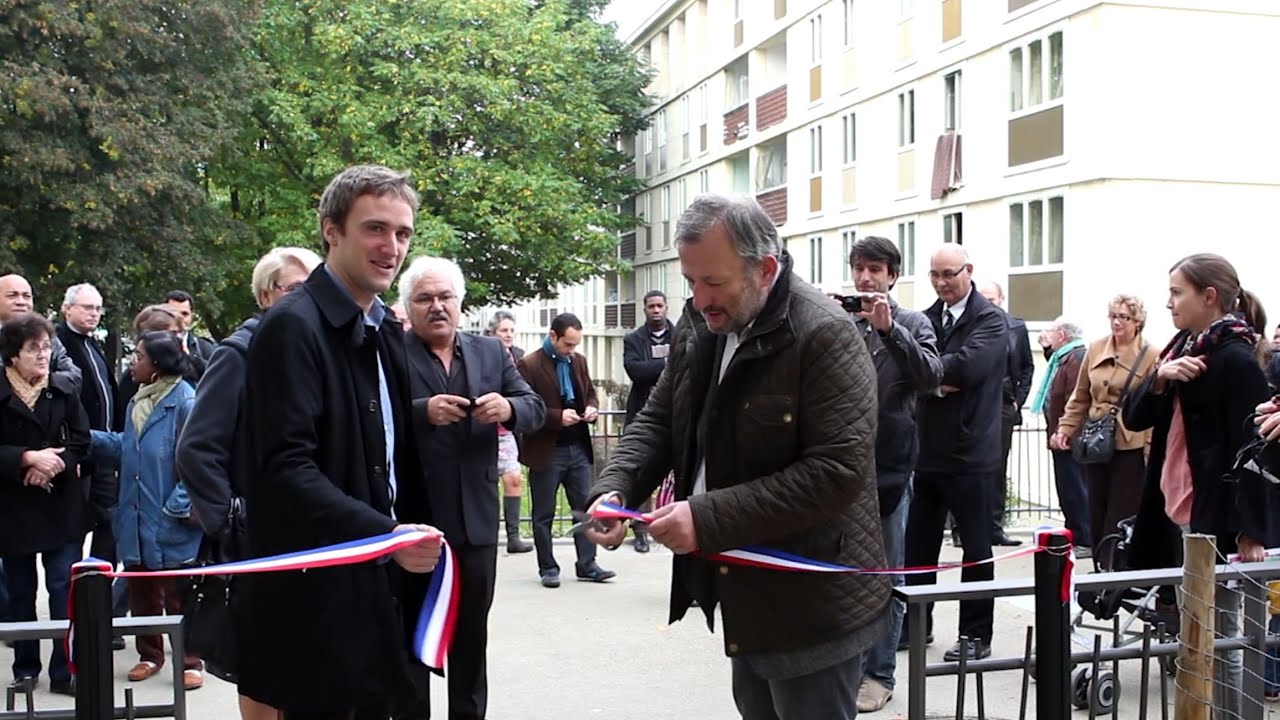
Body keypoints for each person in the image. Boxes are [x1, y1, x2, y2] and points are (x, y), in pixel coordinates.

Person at [585, 194, 886, 720]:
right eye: (691, 282)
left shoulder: (824, 333)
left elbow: (835, 473)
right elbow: (659, 418)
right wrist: (616, 488)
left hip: (812, 601)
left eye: (713, 283)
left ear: (764, 269)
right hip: (744, 591)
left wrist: (703, 517)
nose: (699, 300)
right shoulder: (705, 322)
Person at [234, 165, 443, 719]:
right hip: (322, 598)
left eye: (403, 233)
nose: (391, 246)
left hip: (383, 586)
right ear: (332, 231)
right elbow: (284, 470)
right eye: (376, 229)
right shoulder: (292, 327)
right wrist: (387, 534)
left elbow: (395, 459)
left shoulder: (384, 329)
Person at [1123, 253, 1272, 718]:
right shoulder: (1180, 350)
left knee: (1224, 640)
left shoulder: (1235, 357)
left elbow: (1257, 451)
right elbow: (1133, 416)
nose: (1168, 303)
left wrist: (1252, 531)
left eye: (1177, 293)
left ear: (1209, 297)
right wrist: (1158, 380)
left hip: (1221, 519)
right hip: (1178, 509)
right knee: (1196, 635)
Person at [397, 255, 546, 720]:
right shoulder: (390, 354)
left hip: (477, 522)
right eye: (424, 299)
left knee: (471, 641)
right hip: (413, 523)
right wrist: (422, 412)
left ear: (460, 303)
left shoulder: (488, 351)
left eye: (445, 297)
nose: (437, 306)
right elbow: (366, 422)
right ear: (409, 306)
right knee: (412, 641)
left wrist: (509, 408)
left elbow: (534, 405)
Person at [177, 246, 321, 720]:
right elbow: (196, 448)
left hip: (313, 538)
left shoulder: (313, 347)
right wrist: (231, 521)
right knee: (263, 666)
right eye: (296, 289)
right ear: (265, 295)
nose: (309, 299)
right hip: (260, 547)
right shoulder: (240, 353)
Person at [839, 236, 941, 713]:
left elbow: (930, 376)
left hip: (891, 469)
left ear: (893, 275)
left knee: (886, 575)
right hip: (839, 468)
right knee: (841, 573)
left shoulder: (913, 322)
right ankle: (845, 667)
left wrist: (889, 332)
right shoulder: (841, 321)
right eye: (859, 267)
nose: (865, 277)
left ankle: (878, 674)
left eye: (875, 269)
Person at [903, 245, 1008, 662]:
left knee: (976, 550)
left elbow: (965, 369)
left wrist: (930, 372)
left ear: (969, 271)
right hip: (925, 450)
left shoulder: (991, 320)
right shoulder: (926, 319)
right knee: (918, 549)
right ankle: (915, 627)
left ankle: (975, 635)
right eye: (935, 275)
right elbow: (912, 366)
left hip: (972, 454)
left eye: (949, 274)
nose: (942, 283)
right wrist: (932, 377)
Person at [90, 331, 205, 690]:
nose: (132, 362)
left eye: (138, 356)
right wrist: (87, 438)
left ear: (157, 364)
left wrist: (177, 506)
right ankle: (149, 654)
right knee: (142, 590)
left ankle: (190, 660)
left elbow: (197, 461)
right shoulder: (136, 402)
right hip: (136, 514)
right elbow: (130, 447)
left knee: (177, 593)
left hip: (169, 518)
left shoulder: (186, 401)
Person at [0, 313, 91, 696]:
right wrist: (24, 459)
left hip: (59, 504)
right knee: (21, 591)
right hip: (13, 506)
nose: (42, 355)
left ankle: (63, 669)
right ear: (12, 356)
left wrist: (54, 463)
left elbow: (83, 441)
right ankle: (25, 667)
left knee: (61, 588)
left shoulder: (62, 390)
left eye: (46, 347)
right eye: (33, 348)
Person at [1050, 295, 1157, 562]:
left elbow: (1155, 405)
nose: (1117, 322)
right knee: (1094, 506)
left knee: (1121, 509)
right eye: (1113, 316)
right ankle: (1100, 568)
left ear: (1138, 321)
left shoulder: (1152, 355)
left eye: (1124, 317)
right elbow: (1080, 396)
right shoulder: (1095, 349)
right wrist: (1065, 428)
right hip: (1096, 439)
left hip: (1130, 441)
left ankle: (1116, 568)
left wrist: (1150, 449)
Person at [517, 313, 615, 588]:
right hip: (548, 451)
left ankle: (588, 563)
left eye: (575, 345)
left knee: (585, 509)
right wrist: (557, 417)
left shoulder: (578, 361)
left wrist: (593, 408)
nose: (571, 350)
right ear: (553, 336)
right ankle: (548, 567)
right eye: (567, 344)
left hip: (578, 449)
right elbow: (526, 407)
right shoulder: (530, 364)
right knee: (543, 514)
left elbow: (590, 392)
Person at [978, 281, 1033, 547]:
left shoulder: (1016, 328)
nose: (988, 304)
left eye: (992, 299)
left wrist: (1016, 403)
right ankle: (962, 529)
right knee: (970, 467)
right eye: (983, 299)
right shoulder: (971, 325)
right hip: (975, 404)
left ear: (1001, 299)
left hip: (1003, 405)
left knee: (998, 468)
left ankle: (995, 528)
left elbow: (1026, 368)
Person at [1031, 318, 1091, 555]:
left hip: (1068, 439)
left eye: (1053, 332)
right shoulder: (1062, 356)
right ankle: (1074, 532)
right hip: (1060, 437)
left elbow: (1074, 399)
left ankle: (1084, 537)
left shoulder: (1076, 358)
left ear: (1063, 336)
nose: (1049, 335)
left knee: (1075, 489)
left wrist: (1066, 431)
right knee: (1067, 488)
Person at [622, 289, 675, 553]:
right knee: (642, 471)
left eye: (660, 305)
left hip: (677, 413)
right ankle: (640, 529)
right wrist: (668, 363)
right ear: (644, 309)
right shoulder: (633, 339)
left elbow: (688, 367)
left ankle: (670, 527)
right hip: (644, 414)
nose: (656, 310)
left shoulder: (681, 335)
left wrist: (655, 365)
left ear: (666, 308)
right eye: (651, 306)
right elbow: (636, 372)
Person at [485, 310, 532, 553]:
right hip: (483, 428)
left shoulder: (519, 358)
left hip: (506, 429)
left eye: (512, 330)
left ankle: (513, 536)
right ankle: (488, 534)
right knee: (487, 485)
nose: (509, 335)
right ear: (493, 332)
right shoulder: (482, 355)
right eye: (504, 330)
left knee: (513, 478)